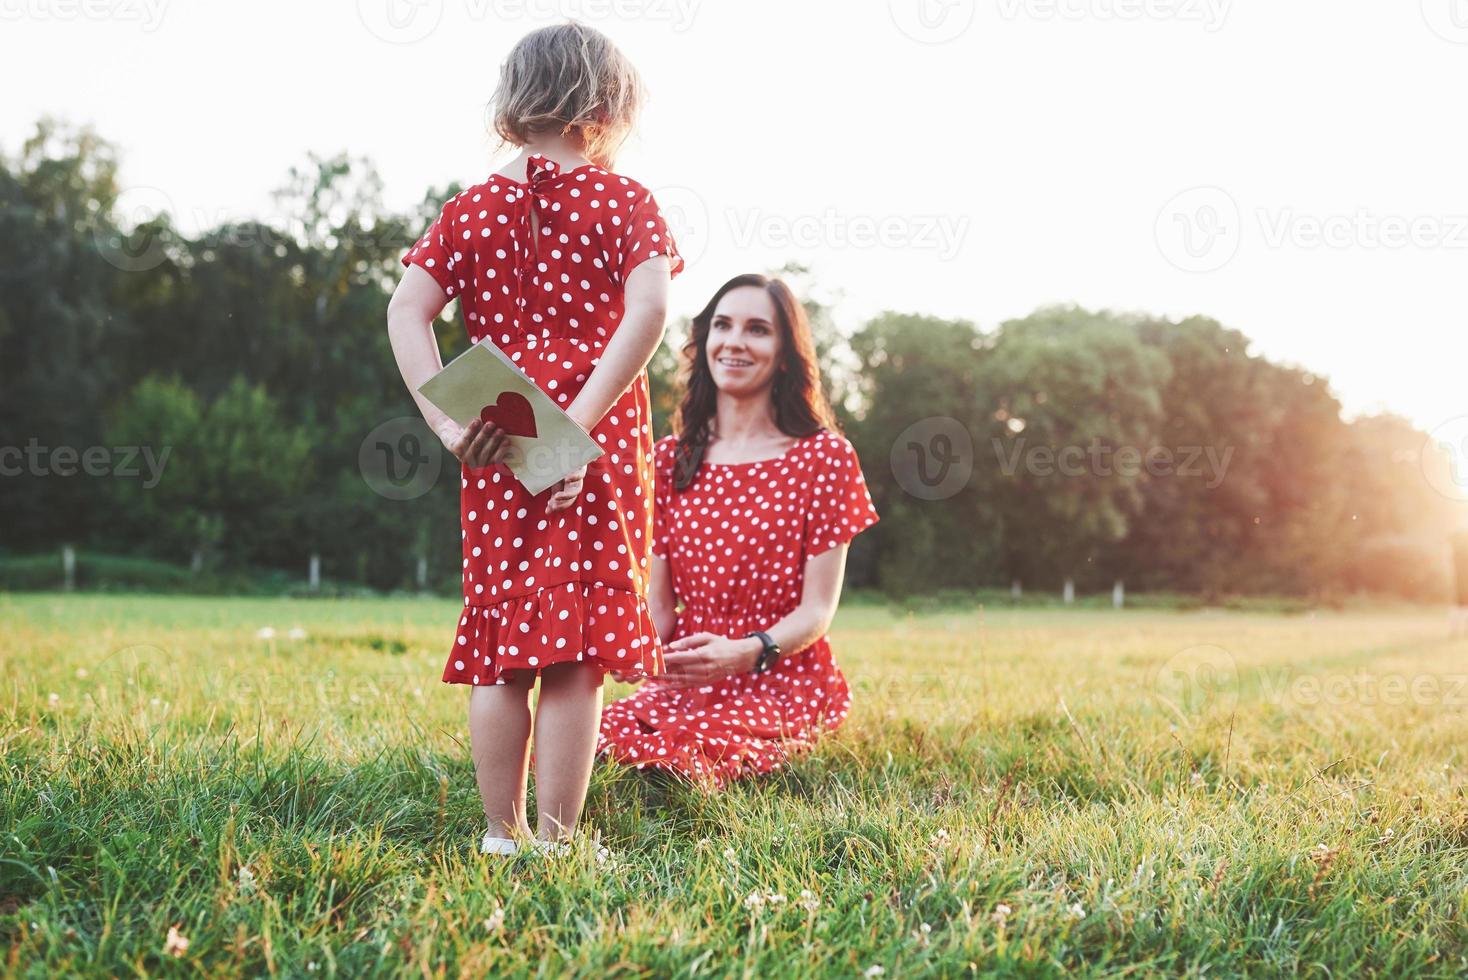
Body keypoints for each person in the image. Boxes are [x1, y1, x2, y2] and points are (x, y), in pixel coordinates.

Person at [386, 23, 682, 857]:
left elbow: (405, 311)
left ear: (513, 102)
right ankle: (557, 840)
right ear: (607, 104)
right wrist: (578, 424)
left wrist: (448, 424)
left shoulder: (468, 208)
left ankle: (497, 834)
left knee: (502, 642)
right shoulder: (624, 201)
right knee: (577, 653)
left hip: (497, 434)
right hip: (593, 437)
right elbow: (651, 311)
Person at [596, 274, 880, 791]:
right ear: (704, 340)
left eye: (757, 329)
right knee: (595, 741)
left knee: (682, 762)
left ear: (786, 353)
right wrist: (633, 652)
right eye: (723, 325)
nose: (734, 342)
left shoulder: (824, 458)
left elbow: (817, 613)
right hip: (686, 675)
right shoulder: (669, 459)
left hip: (780, 674)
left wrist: (747, 651)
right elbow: (659, 608)